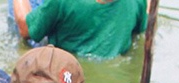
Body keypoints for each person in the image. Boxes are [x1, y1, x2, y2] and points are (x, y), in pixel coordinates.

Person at [12, 0, 148, 60]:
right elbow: (139, 32)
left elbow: (26, 30)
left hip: (65, 64)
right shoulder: (139, 1)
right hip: (112, 58)